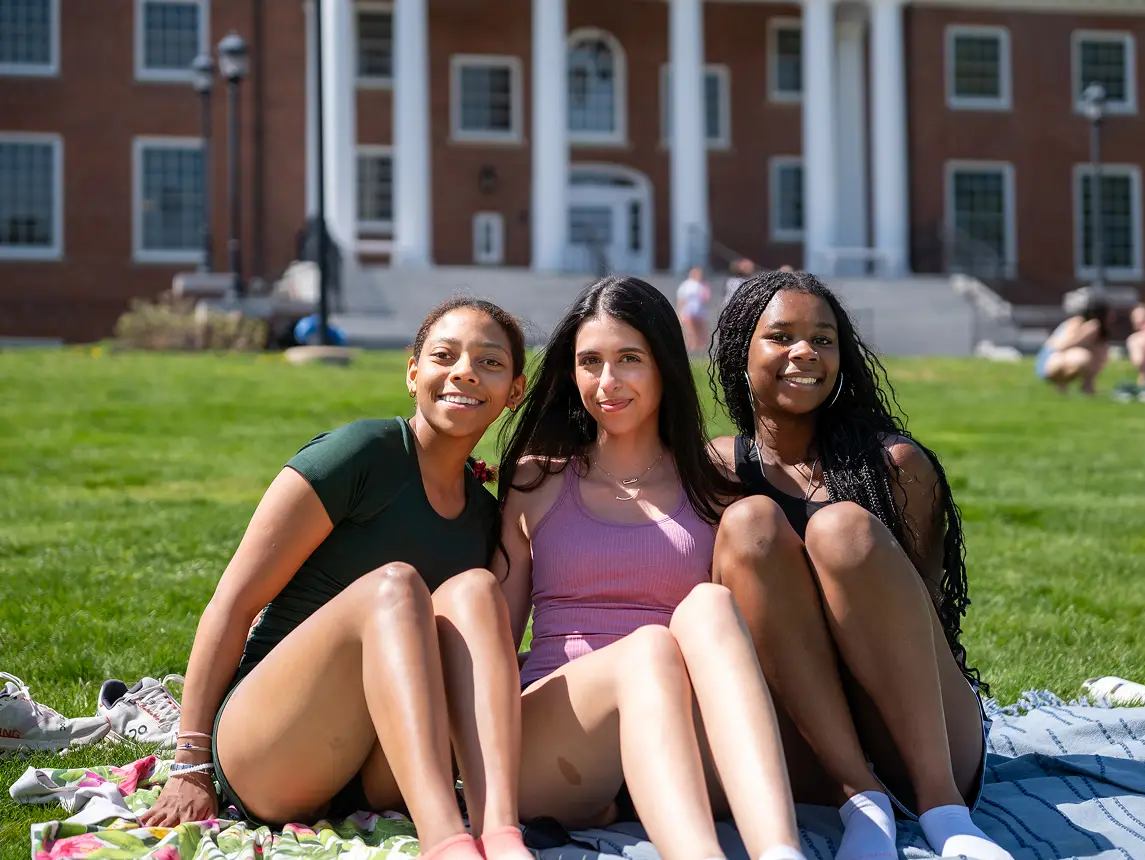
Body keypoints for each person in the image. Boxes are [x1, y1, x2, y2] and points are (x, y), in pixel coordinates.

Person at [143, 298, 533, 860]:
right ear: (412, 372)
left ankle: (499, 831)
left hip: (375, 772)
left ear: (513, 392)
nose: (465, 371)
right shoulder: (361, 455)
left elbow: (477, 658)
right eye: (443, 355)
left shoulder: (482, 514)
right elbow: (231, 603)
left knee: (475, 589)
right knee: (395, 587)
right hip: (271, 749)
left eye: (489, 363)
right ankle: (446, 844)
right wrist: (190, 762)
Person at [495, 276, 803, 860]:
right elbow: (496, 641)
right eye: (591, 362)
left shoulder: (715, 490)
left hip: (686, 743)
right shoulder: (537, 480)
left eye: (629, 359)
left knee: (709, 607)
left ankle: (780, 851)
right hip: (557, 748)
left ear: (665, 364)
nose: (606, 383)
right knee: (650, 648)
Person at [706, 270, 1012, 860]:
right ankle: (861, 801)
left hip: (921, 733)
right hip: (808, 739)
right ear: (741, 352)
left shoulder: (895, 466)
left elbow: (926, 620)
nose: (805, 353)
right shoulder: (720, 469)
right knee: (750, 526)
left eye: (824, 339)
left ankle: (944, 814)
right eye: (782, 336)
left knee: (841, 528)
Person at [1034, 298, 1113, 394]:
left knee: (1095, 352)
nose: (1113, 317)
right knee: (1082, 356)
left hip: (1061, 359)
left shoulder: (1099, 333)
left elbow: (1101, 356)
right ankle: (1062, 385)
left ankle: (1087, 387)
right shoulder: (1079, 323)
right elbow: (1063, 345)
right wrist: (1086, 333)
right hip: (1050, 361)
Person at [675, 266, 711, 354]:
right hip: (688, 310)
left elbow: (705, 298)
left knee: (701, 331)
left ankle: (701, 349)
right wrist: (679, 311)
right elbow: (681, 299)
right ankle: (692, 347)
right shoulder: (686, 284)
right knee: (690, 331)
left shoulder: (702, 285)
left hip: (699, 311)